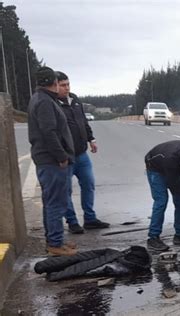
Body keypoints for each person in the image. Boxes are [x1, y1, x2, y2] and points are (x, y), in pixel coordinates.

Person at [27, 67, 77, 256]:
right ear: (54, 83)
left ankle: (55, 240)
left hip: (47, 159)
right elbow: (50, 132)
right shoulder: (45, 102)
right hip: (52, 161)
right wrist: (61, 156)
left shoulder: (41, 98)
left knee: (51, 202)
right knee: (56, 202)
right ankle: (55, 244)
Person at [56, 71, 110, 233]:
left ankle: (90, 218)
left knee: (89, 184)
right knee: (66, 190)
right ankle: (72, 222)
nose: (66, 88)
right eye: (62, 85)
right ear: (55, 85)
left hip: (81, 153)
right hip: (65, 156)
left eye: (68, 84)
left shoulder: (74, 100)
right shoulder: (52, 104)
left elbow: (83, 122)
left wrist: (91, 139)